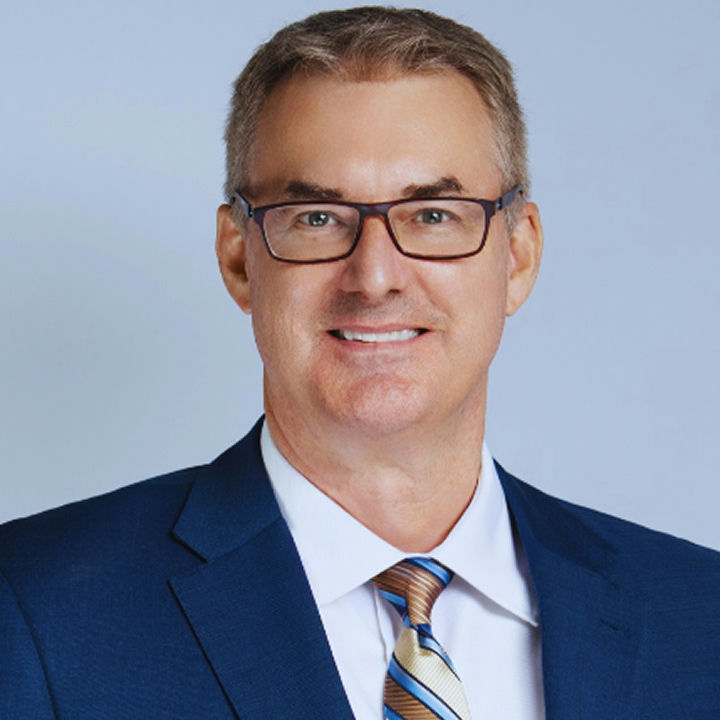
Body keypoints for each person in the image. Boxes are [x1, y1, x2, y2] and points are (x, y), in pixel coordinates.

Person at [1, 7, 719, 719]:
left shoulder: (698, 616)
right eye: (317, 218)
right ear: (239, 259)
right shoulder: (36, 610)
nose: (375, 278)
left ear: (519, 255)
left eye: (434, 215)